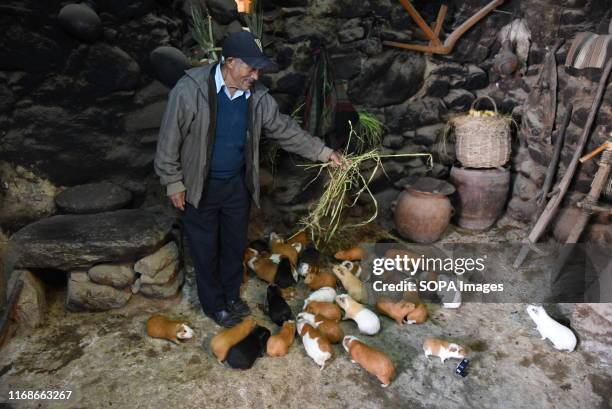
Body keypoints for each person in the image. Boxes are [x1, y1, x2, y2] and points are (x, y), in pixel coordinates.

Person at [154, 30, 344, 327]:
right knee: (204, 249)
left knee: (233, 245)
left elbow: (284, 130)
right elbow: (168, 140)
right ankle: (214, 305)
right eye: (250, 67)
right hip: (197, 186)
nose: (256, 75)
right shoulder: (189, 90)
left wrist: (323, 152)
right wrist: (173, 182)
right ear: (229, 62)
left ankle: (231, 296)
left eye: (258, 69)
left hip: (236, 185)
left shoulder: (257, 97)